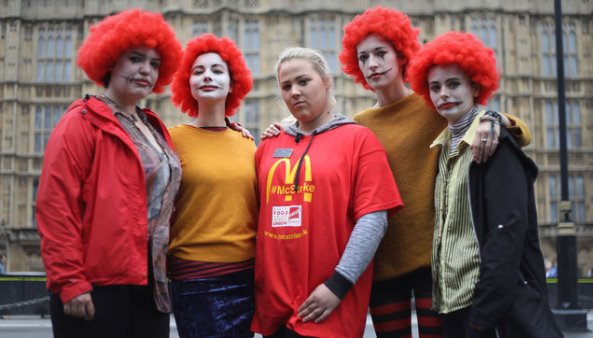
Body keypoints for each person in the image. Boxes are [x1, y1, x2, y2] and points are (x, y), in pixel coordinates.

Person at [260, 8, 529, 337]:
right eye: (363, 57)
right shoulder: (357, 126)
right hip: (383, 263)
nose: (372, 64)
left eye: (380, 53)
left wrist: (496, 120)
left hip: (434, 260)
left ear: (402, 54)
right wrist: (283, 130)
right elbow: (317, 140)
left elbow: (508, 130)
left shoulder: (433, 105)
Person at [35, 9, 182, 338]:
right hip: (98, 284)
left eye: (155, 63)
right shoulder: (82, 121)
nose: (146, 70)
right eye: (135, 59)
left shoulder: (154, 128)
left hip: (151, 284)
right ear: (111, 59)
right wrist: (70, 281)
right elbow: (55, 205)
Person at [408, 31, 563, 338]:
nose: (443, 94)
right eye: (435, 87)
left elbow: (508, 231)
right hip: (453, 304)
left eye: (453, 84)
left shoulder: (495, 144)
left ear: (476, 86)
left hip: (487, 309)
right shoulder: (442, 148)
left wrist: (482, 317)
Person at [251, 47, 403, 338]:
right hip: (274, 310)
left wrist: (338, 285)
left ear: (326, 81)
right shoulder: (269, 145)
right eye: (286, 86)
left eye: (303, 81)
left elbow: (373, 219)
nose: (294, 92)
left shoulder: (359, 139)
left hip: (327, 307)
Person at [168, 34, 257, 338]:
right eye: (198, 71)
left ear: (233, 84)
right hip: (195, 280)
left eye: (218, 71)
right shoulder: (170, 140)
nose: (207, 76)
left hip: (247, 278)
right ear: (187, 84)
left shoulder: (249, 144)